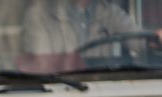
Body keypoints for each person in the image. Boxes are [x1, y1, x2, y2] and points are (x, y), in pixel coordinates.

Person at [19, 0, 162, 73]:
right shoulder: (38, 15)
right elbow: (43, 66)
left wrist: (155, 41)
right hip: (60, 93)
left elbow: (138, 40)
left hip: (100, 90)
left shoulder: (108, 12)